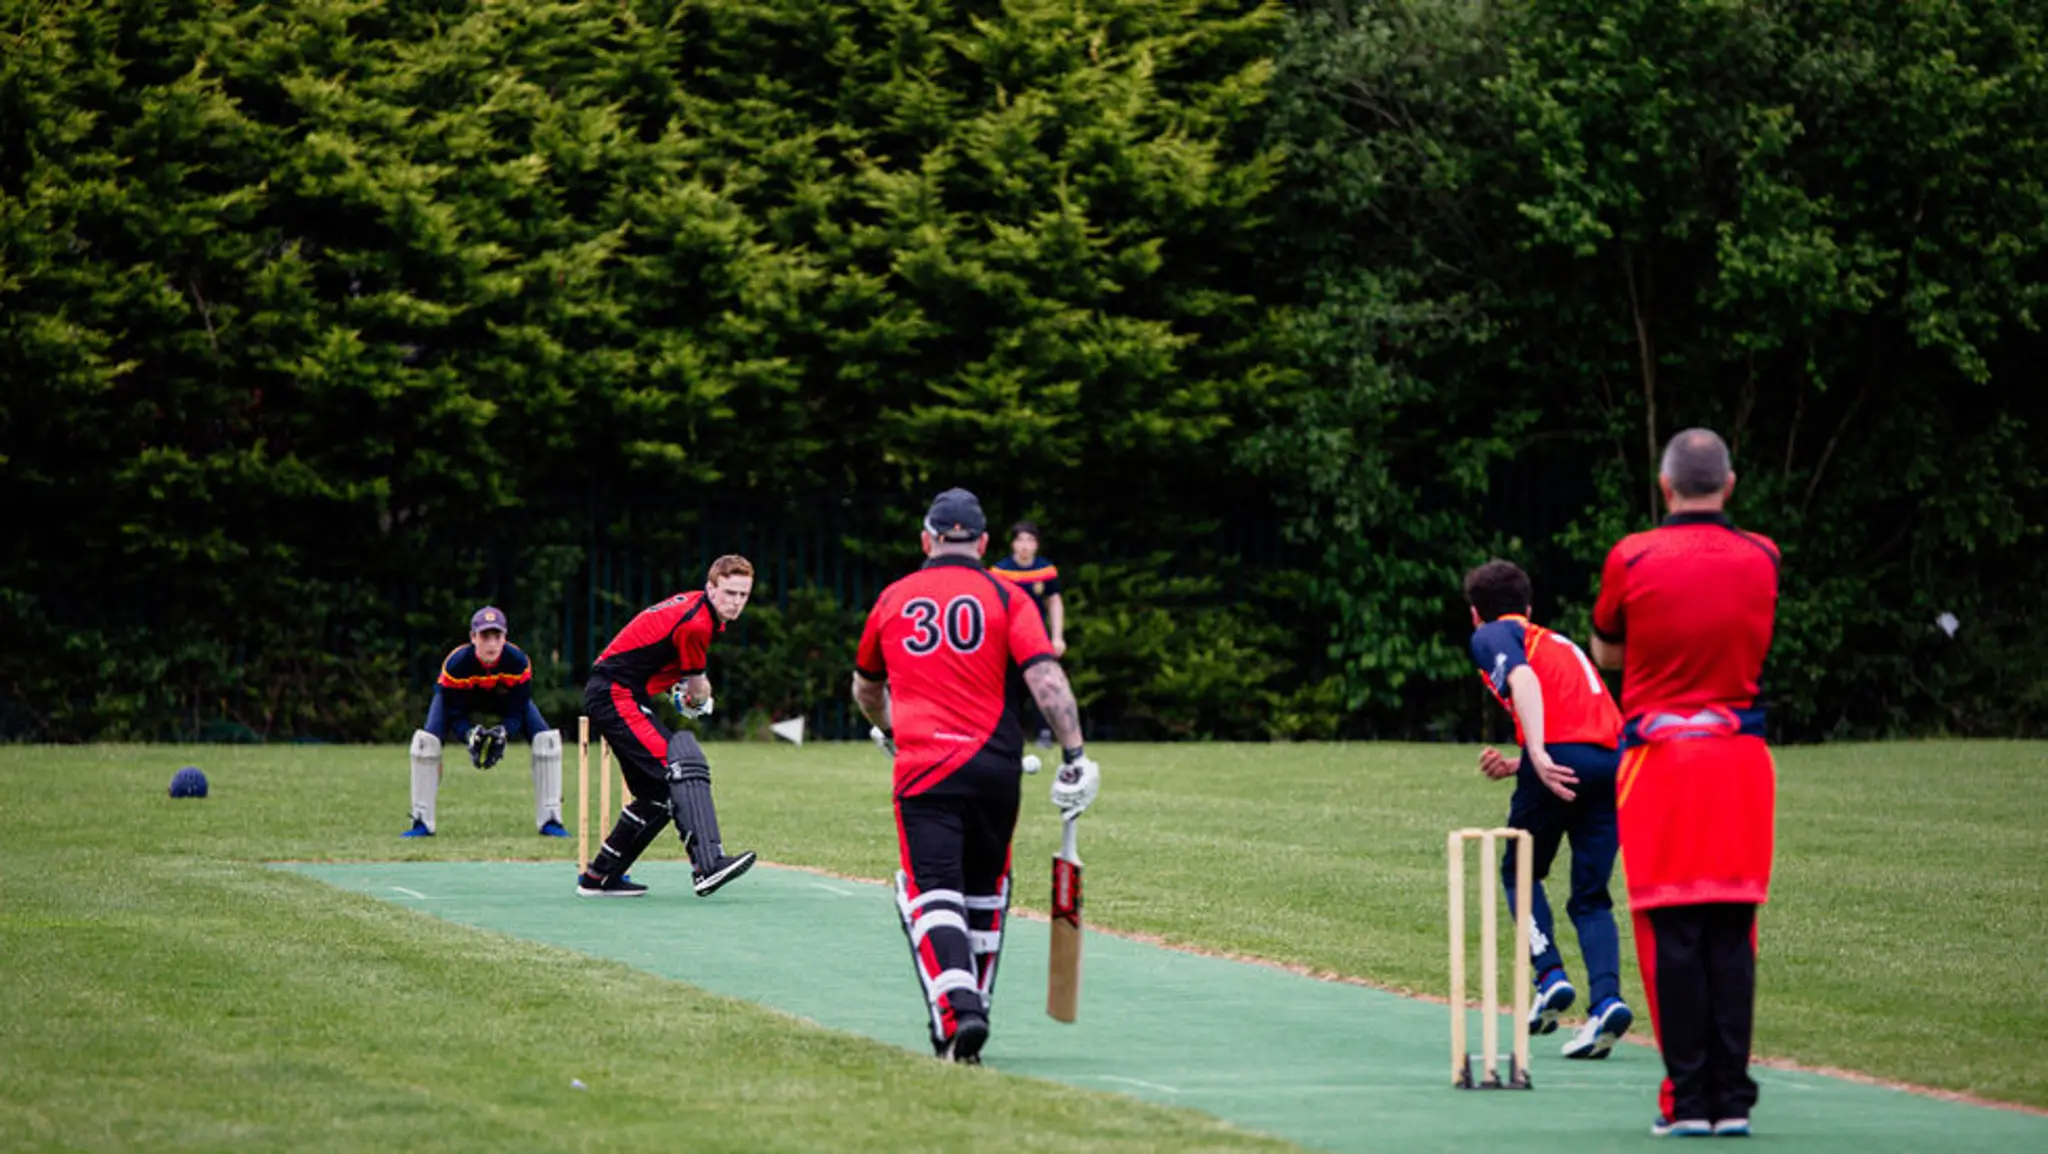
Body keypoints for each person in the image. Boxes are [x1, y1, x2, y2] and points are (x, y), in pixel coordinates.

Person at [852, 488, 1100, 1065]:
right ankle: (968, 1023)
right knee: (985, 895)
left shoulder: (894, 597)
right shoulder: (1006, 594)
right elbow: (1045, 679)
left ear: (926, 539)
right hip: (996, 770)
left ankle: (959, 1007)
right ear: (985, 543)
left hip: (923, 772)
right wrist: (1075, 756)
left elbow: (867, 686)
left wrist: (887, 727)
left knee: (930, 891)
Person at [1590, 428, 1780, 1139]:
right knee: (1733, 927)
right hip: (1738, 759)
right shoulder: (1763, 556)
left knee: (1671, 930)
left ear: (1665, 485)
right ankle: (1732, 1099)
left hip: (1660, 763)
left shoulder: (1632, 555)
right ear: (1728, 485)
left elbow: (1607, 645)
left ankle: (1687, 1097)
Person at [1462, 559, 1633, 1059]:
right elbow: (1576, 717)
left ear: (1476, 615)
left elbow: (1524, 684)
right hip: (1611, 764)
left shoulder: (1492, 634)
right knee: (1590, 898)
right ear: (1529, 607)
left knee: (1518, 872)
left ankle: (1550, 977)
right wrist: (1523, 763)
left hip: (1559, 756)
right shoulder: (1556, 641)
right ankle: (1606, 1003)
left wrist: (1536, 755)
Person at [575, 556, 760, 898]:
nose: (736, 602)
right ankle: (708, 865)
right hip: (615, 693)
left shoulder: (697, 609)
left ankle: (600, 876)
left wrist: (686, 695)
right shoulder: (698, 623)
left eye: (743, 595)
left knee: (657, 793)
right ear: (711, 587)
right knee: (681, 768)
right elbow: (697, 686)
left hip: (620, 692)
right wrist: (700, 702)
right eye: (730, 592)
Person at [405, 606, 567, 839]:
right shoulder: (457, 664)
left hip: (502, 699)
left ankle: (551, 820)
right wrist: (467, 734)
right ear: (473, 638)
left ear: (505, 637)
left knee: (547, 740)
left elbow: (519, 707)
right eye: (484, 637)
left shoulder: (517, 661)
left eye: (497, 637)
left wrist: (505, 730)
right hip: (463, 698)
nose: (491, 644)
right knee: (425, 743)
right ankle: (421, 822)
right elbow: (454, 711)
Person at [989, 520, 1067, 746]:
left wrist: (1057, 636)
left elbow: (1054, 602)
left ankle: (1044, 733)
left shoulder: (1046, 570)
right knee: (1008, 688)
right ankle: (1008, 733)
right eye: (1020, 540)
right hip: (1008, 639)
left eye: (1030, 540)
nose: (1024, 545)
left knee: (1043, 685)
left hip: (1036, 638)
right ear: (1013, 544)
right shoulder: (1000, 571)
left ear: (1037, 544)